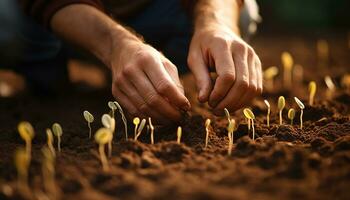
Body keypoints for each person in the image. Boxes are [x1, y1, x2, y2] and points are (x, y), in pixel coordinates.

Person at [13, 0, 262, 124]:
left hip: (151, 13)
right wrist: (116, 45)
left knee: (244, 11)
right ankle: (45, 73)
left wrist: (217, 23)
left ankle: (139, 70)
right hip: (59, 17)